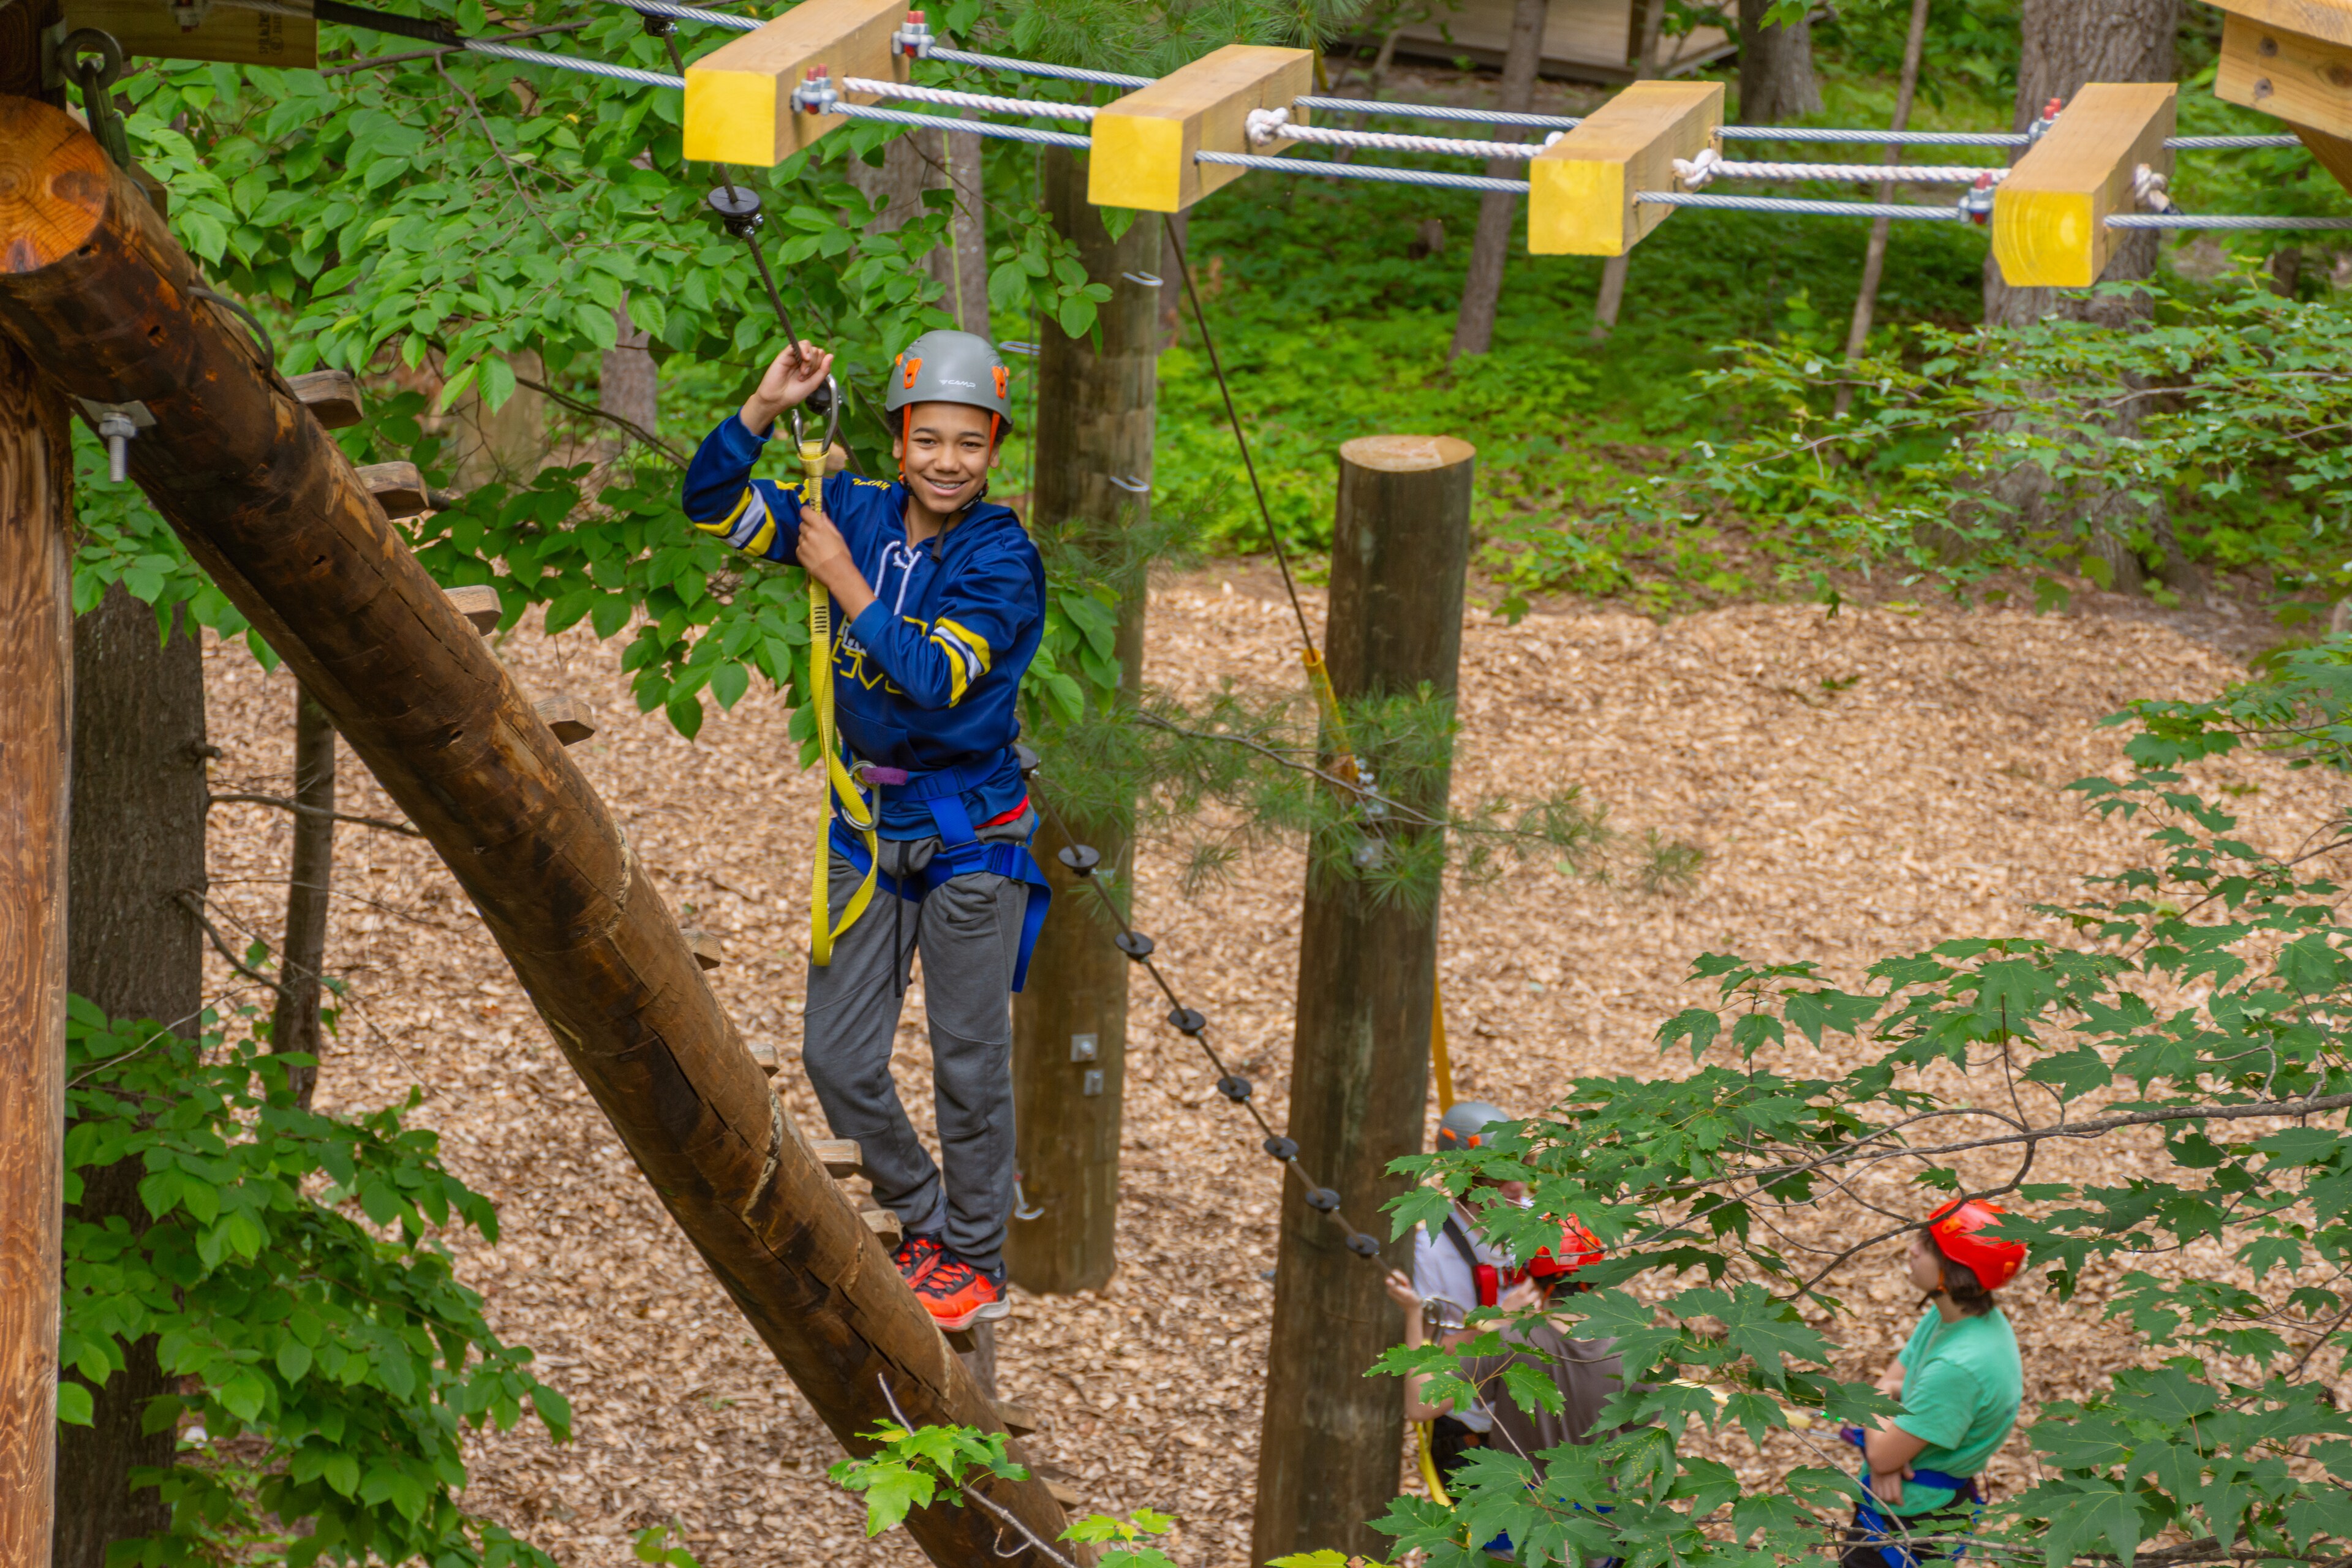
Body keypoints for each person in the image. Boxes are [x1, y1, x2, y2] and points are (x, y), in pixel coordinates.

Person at [680, 330, 1050, 1332]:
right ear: (897, 440)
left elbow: (932, 676)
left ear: (993, 450)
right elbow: (710, 503)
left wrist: (843, 577)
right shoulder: (848, 506)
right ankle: (926, 1215)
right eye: (929, 439)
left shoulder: (1002, 558)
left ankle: (975, 1256)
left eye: (969, 444)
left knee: (968, 1063)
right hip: (868, 821)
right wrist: (763, 407)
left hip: (973, 830)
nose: (947, 460)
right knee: (835, 1057)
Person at [1411, 1101, 1608, 1482]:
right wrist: (1495, 1322)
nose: (1519, 1185)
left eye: (1521, 1167)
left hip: (1548, 1419)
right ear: (1465, 1178)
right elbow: (1426, 1361)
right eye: (1500, 1176)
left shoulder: (1544, 1219)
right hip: (1476, 1432)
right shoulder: (1431, 1253)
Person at [1841, 1200, 2027, 1568]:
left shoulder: (1960, 1365)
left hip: (1910, 1520)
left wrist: (1882, 1437)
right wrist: (1887, 1425)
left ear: (1956, 1273)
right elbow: (1892, 1382)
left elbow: (1882, 1447)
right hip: (1919, 1500)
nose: (1912, 1249)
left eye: (1928, 1247)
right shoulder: (1957, 1317)